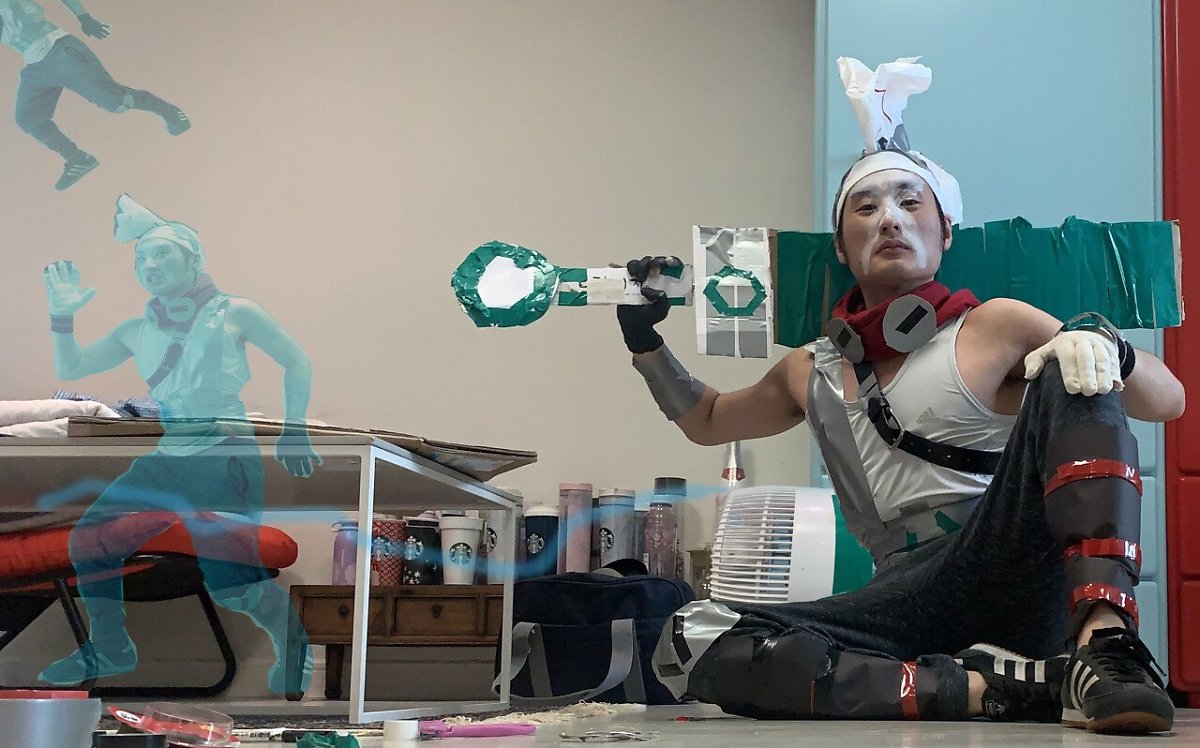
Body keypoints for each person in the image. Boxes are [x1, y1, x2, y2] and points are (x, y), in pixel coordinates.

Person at [623, 58, 1185, 735]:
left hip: (1009, 557)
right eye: (866, 208)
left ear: (944, 231)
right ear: (842, 246)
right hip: (905, 595)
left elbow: (1168, 401)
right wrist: (645, 344)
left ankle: (1105, 646)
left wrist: (1104, 344)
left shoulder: (995, 325)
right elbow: (710, 420)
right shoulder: (809, 369)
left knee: (1076, 360)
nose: (889, 218)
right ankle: (989, 689)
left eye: (910, 203)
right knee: (691, 640)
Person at [37, 194, 318, 694]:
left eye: (162, 253)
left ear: (194, 259)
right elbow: (71, 367)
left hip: (224, 455)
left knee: (232, 587)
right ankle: (111, 646)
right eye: (141, 258)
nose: (149, 264)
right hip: (169, 458)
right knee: (88, 538)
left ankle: (292, 640)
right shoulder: (135, 331)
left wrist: (294, 429)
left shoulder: (237, 312)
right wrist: (62, 317)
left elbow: (296, 360)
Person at [1, 0, 189, 190]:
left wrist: (83, 16)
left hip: (59, 49)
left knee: (117, 103)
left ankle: (168, 111)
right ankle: (78, 159)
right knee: (28, 118)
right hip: (35, 67)